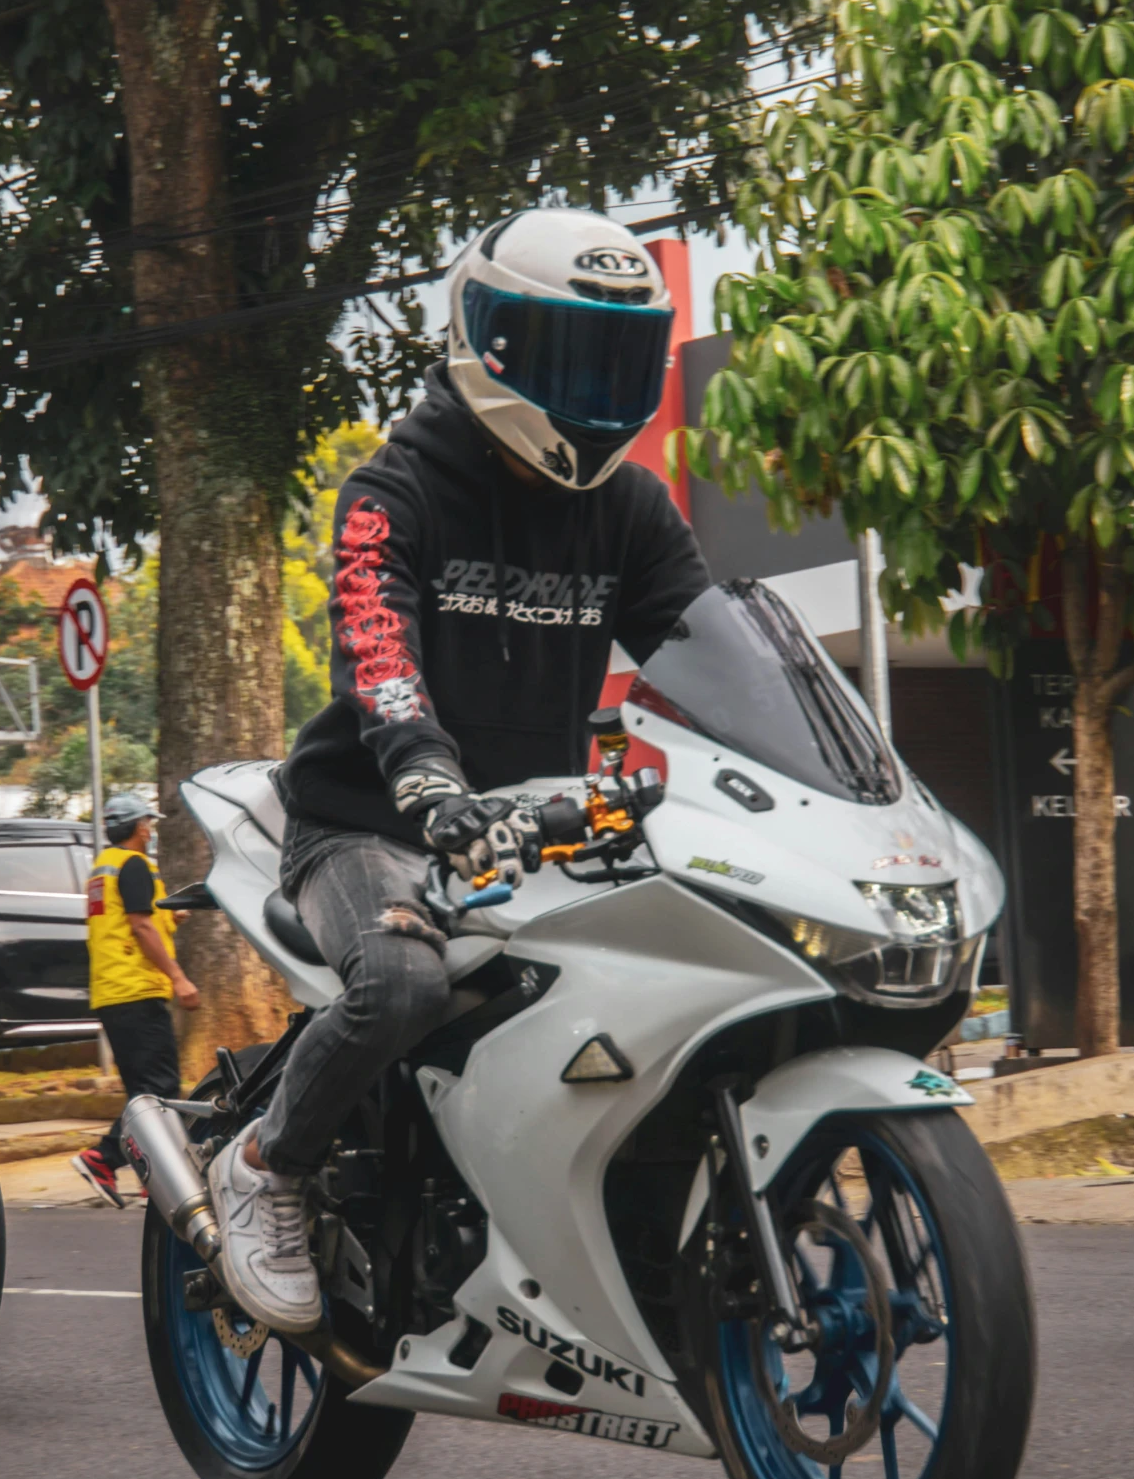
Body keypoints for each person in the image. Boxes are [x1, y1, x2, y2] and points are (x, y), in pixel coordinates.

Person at [207, 205, 711, 1333]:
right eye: (572, 355)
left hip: (540, 828)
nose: (596, 390)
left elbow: (711, 647)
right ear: (490, 347)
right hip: (367, 821)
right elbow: (377, 652)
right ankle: (266, 1165)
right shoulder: (397, 489)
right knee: (404, 985)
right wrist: (428, 782)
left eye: (621, 360)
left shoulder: (630, 511)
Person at [74, 792, 199, 1206]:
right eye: (150, 823)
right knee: (160, 1091)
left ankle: (153, 1175)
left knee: (142, 1093)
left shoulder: (103, 867)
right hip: (138, 990)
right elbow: (140, 927)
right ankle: (102, 1158)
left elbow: (128, 920)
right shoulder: (134, 864)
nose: (152, 830)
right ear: (141, 827)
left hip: (112, 991)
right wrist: (179, 978)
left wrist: (171, 916)